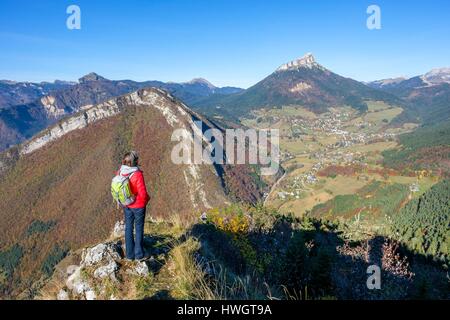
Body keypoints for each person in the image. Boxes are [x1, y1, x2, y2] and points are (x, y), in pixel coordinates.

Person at [117, 151, 150, 261]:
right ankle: (139, 254)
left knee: (128, 228)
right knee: (139, 228)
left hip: (126, 205)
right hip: (138, 205)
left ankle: (129, 255)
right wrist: (145, 201)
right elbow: (143, 193)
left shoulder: (120, 172)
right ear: (135, 161)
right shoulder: (137, 174)